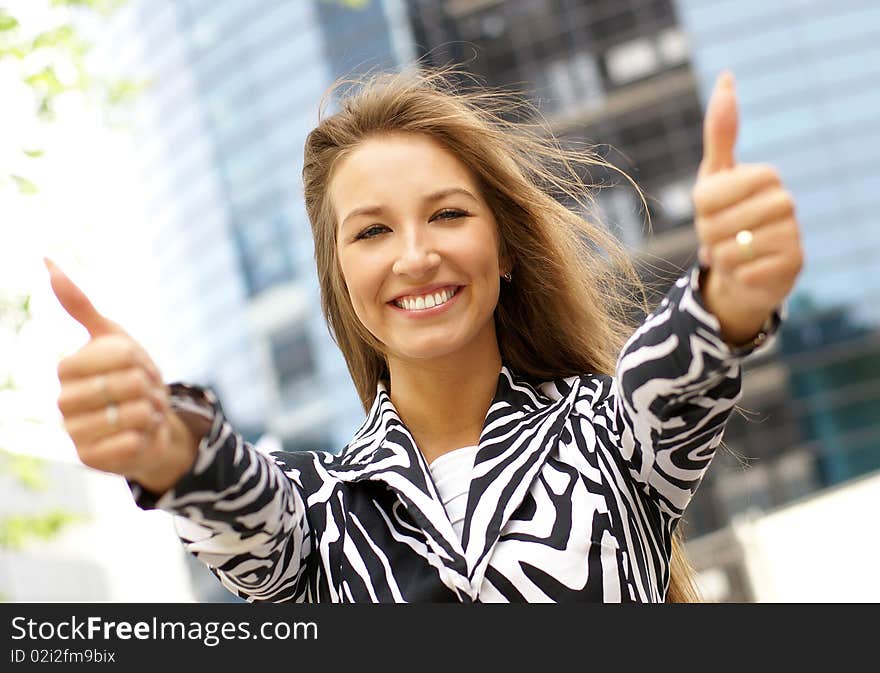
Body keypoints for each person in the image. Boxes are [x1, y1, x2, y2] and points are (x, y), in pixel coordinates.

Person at [47, 68, 803, 602]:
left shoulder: (610, 439)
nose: (415, 256)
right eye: (372, 231)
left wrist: (725, 294)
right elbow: (232, 495)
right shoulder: (317, 517)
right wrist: (163, 443)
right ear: (340, 275)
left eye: (447, 214)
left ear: (504, 250)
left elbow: (678, 372)